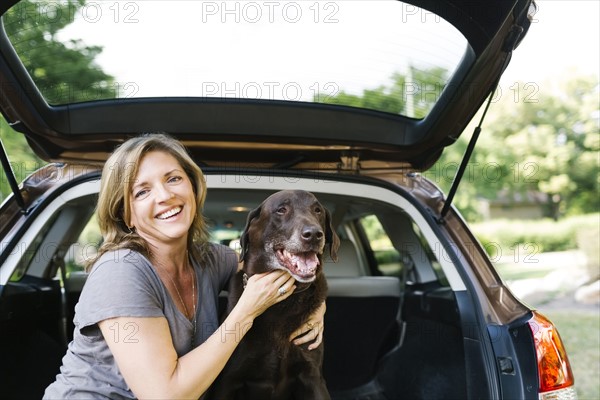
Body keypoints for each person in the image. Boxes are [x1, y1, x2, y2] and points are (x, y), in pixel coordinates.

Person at [44, 133, 326, 399]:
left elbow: (276, 265)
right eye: (142, 192)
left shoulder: (212, 260)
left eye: (173, 178)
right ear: (125, 213)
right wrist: (245, 312)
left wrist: (317, 307)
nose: (164, 196)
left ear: (193, 186)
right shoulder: (119, 272)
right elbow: (164, 395)